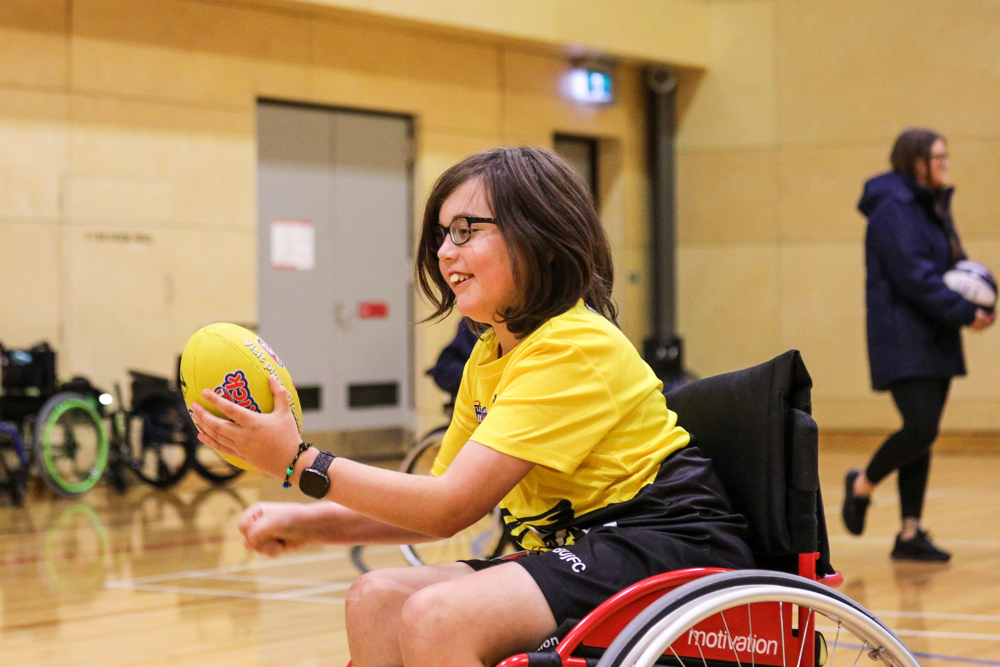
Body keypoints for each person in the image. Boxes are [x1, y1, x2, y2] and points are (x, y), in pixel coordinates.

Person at [190, 147, 753, 667]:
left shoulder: (574, 345)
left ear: (543, 239)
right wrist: (311, 522)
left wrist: (298, 462)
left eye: (466, 230)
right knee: (375, 597)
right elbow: (434, 500)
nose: (444, 252)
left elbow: (447, 509)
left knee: (439, 617)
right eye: (441, 234)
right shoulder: (490, 353)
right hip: (588, 549)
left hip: (667, 546)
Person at [843, 128, 995, 562]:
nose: (946, 165)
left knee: (923, 437)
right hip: (904, 335)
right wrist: (966, 312)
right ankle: (862, 484)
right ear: (915, 161)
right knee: (920, 426)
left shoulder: (932, 205)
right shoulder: (895, 208)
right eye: (939, 158)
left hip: (936, 333)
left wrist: (982, 300)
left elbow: (953, 266)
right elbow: (914, 276)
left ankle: (909, 534)